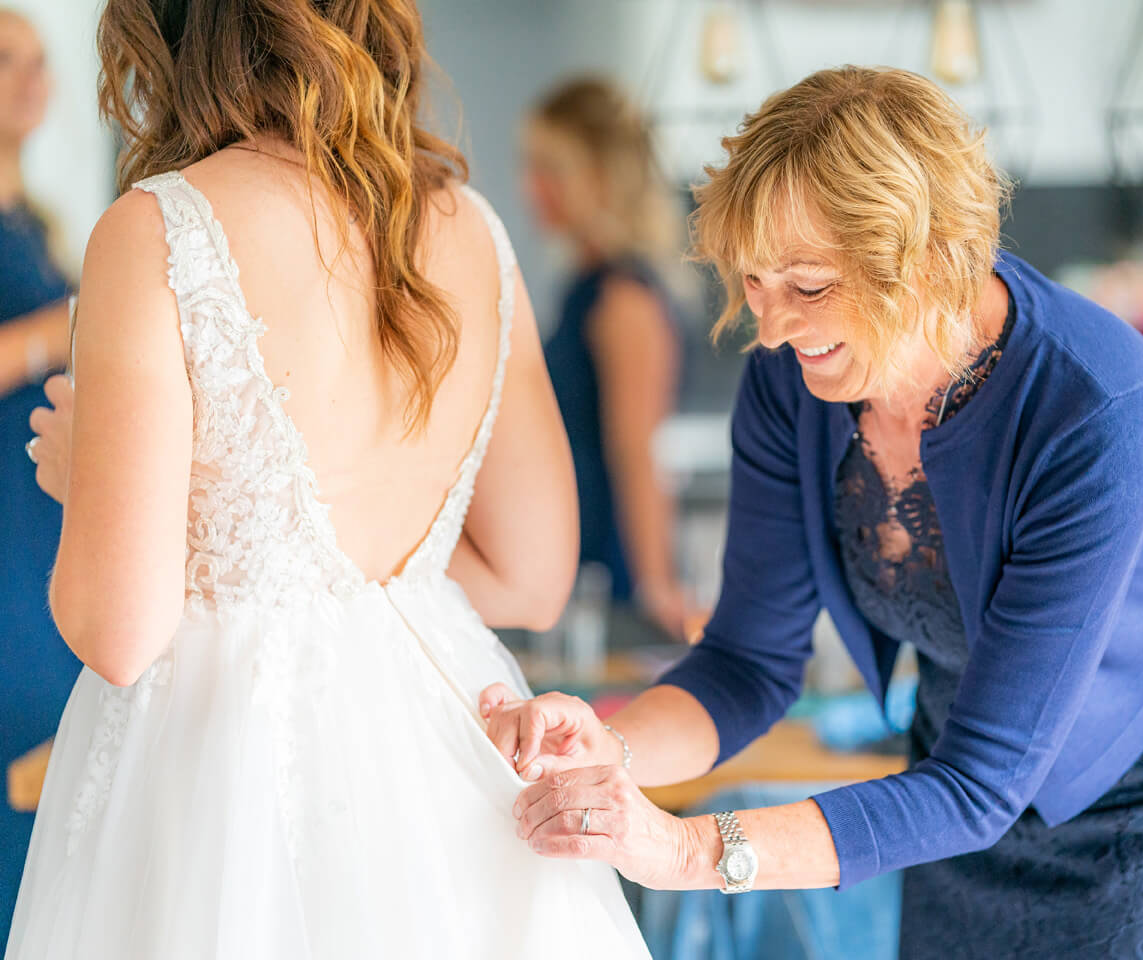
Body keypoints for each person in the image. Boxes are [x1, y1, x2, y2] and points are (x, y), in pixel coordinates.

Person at [481, 67, 1143, 958]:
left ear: (932, 257)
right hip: (950, 786)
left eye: (809, 287)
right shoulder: (792, 385)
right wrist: (606, 755)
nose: (772, 328)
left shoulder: (1096, 408)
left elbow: (984, 785)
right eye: (755, 281)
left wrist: (689, 848)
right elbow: (746, 663)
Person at [9, 1, 649, 956]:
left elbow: (118, 632)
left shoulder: (156, 228)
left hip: (225, 774)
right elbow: (531, 577)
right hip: (443, 735)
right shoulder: (469, 226)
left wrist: (90, 479)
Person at [525, 77, 689, 639]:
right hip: (571, 551)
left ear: (597, 176)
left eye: (550, 167)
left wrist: (657, 586)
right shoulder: (582, 287)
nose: (532, 186)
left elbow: (636, 450)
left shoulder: (624, 299)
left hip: (609, 568)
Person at [0, 9, 78, 944]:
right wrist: (60, 327)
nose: (29, 76)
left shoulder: (36, 226)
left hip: (44, 534)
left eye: (36, 59)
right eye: (3, 58)